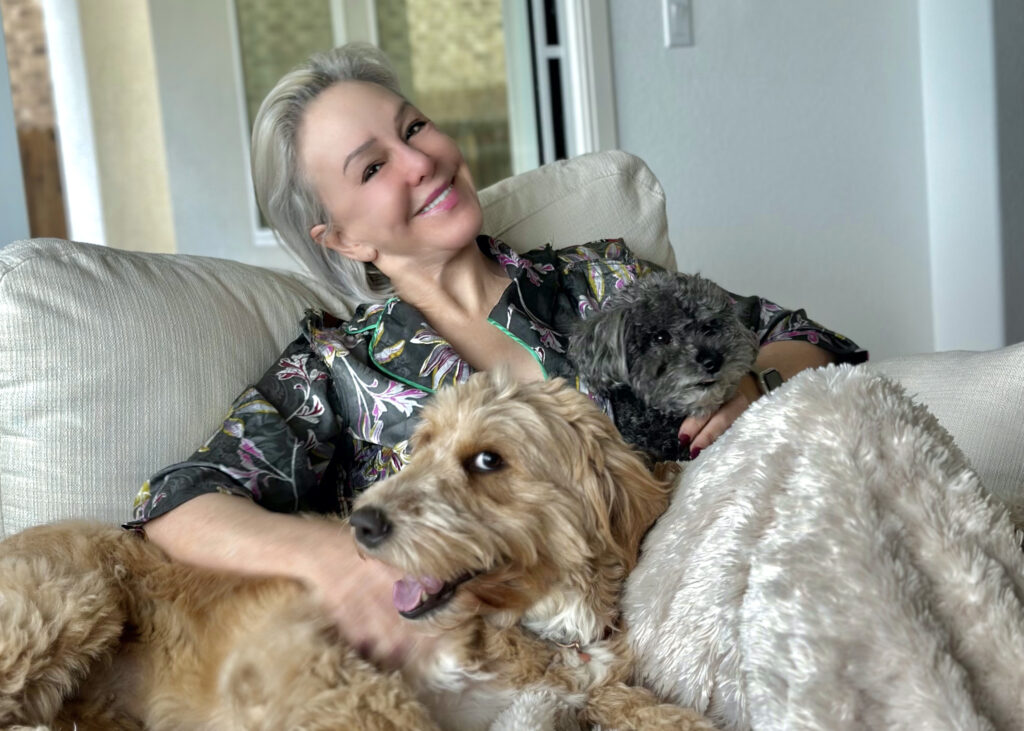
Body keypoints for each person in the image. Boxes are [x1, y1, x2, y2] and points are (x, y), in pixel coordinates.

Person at [127, 43, 866, 667]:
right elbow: (176, 503)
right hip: (538, 661)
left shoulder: (600, 282)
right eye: (372, 168)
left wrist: (755, 381)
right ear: (345, 239)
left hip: (709, 584)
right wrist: (330, 562)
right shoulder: (336, 369)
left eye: (414, 127)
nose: (420, 160)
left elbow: (811, 339)